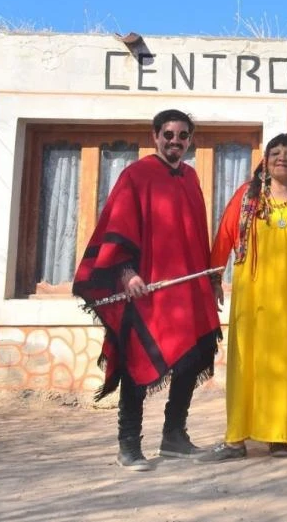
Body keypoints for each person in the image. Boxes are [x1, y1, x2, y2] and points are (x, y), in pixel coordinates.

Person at [73, 109, 221, 471]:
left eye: (183, 135)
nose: (175, 141)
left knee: (191, 358)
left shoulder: (190, 178)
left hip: (185, 291)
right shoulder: (135, 175)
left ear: (190, 140)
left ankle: (174, 437)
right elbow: (118, 228)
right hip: (146, 292)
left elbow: (196, 237)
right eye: (168, 134)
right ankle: (128, 445)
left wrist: (209, 282)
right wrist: (126, 274)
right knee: (137, 364)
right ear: (155, 135)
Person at [196, 134, 287, 463]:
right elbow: (224, 237)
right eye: (275, 153)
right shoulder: (246, 198)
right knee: (247, 361)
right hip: (253, 295)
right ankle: (236, 438)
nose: (282, 158)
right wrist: (215, 278)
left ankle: (280, 436)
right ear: (265, 160)